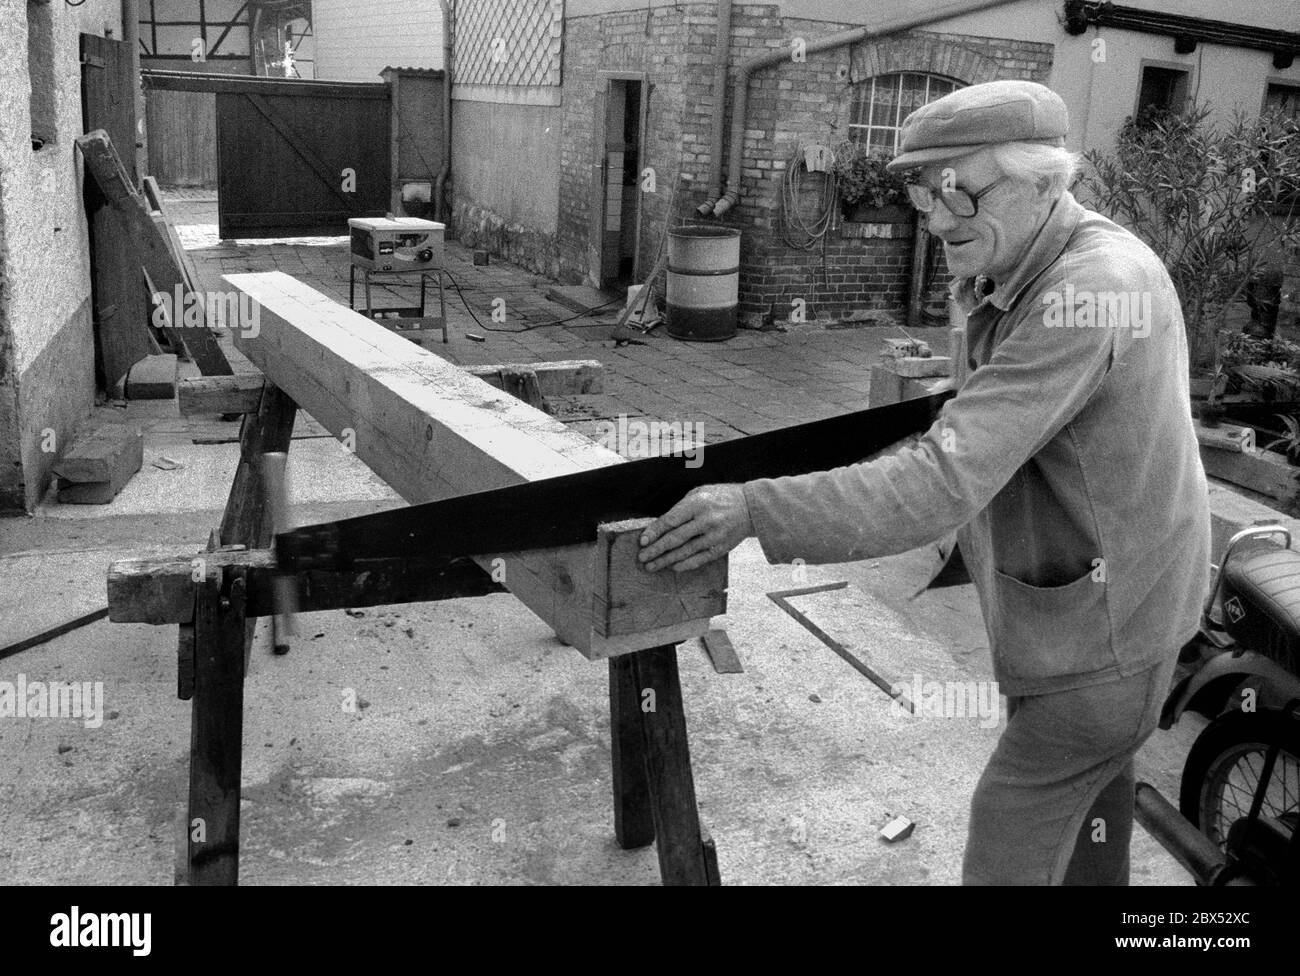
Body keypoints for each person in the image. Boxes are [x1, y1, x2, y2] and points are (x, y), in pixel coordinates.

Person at [637, 79, 1210, 885]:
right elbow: (974, 419)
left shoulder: (1092, 290)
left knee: (1012, 831)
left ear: (1044, 181)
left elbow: (943, 480)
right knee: (1090, 826)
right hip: (1085, 613)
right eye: (921, 192)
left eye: (958, 193)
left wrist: (754, 507)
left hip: (1110, 635)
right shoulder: (1009, 257)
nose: (935, 219)